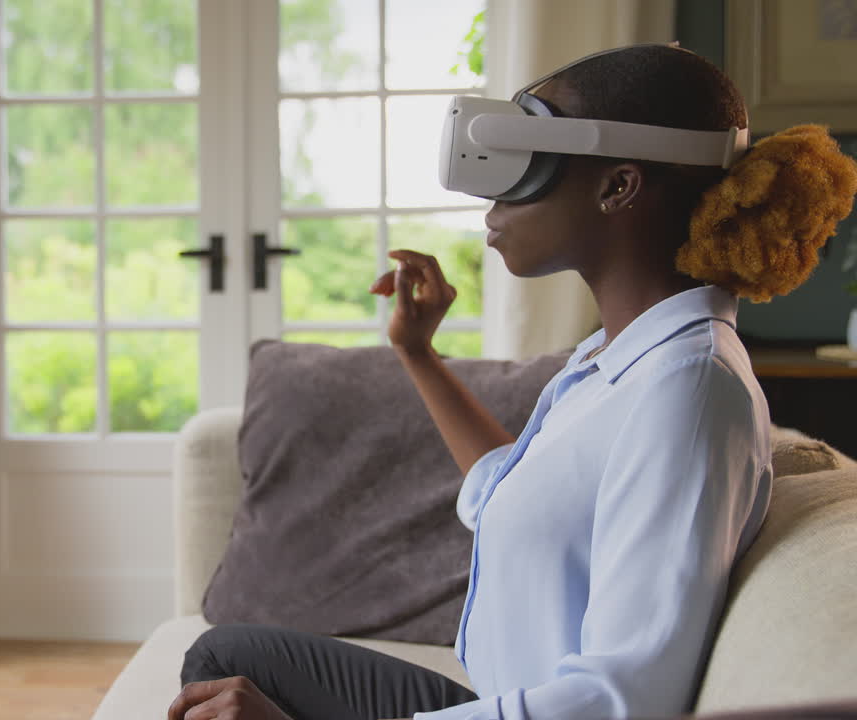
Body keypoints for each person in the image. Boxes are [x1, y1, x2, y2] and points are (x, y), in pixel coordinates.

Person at [166, 44, 857, 720]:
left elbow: (624, 699)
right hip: (496, 702)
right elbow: (508, 492)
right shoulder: (618, 359)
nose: (493, 194)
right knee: (225, 658)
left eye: (531, 156)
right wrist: (418, 353)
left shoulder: (688, 390)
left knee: (215, 683)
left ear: (619, 186)